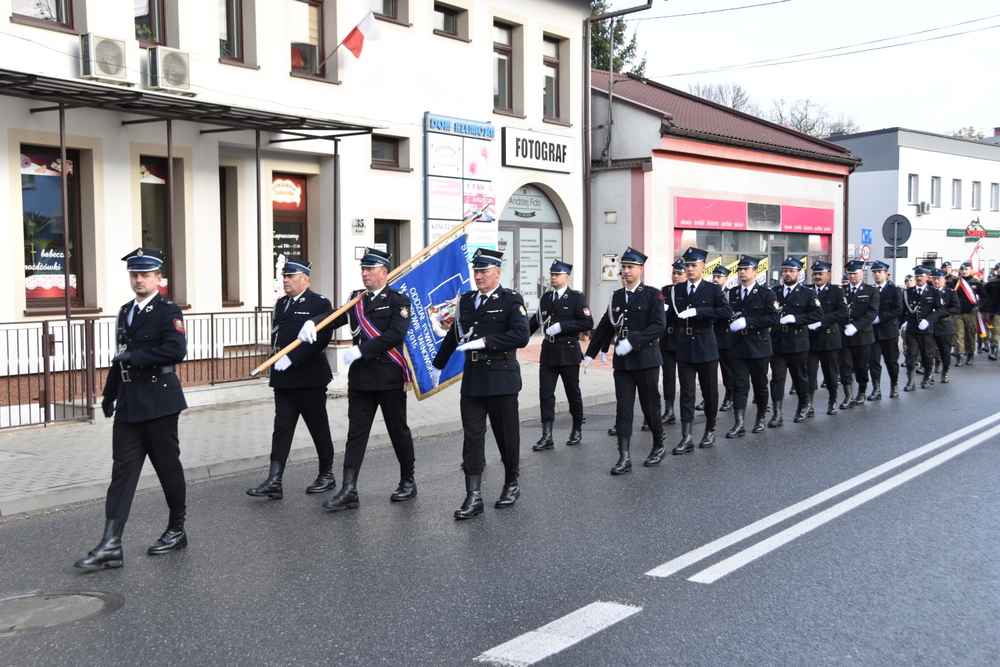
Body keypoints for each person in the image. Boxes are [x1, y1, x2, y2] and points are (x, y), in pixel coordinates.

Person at [76, 249, 189, 570]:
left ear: (158, 278)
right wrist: (109, 394)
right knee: (122, 472)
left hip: (159, 401)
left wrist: (135, 359)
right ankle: (111, 544)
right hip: (128, 403)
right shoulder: (125, 311)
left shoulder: (168, 310)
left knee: (167, 466)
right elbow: (120, 356)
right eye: (134, 274)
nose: (138, 279)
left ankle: (177, 528)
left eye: (145, 274)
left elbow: (176, 349)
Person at [296, 248, 417, 511]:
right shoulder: (356, 299)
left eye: (370, 269)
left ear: (383, 273)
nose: (364, 273)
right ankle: (349, 489)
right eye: (363, 269)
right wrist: (313, 323)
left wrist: (363, 349)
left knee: (398, 430)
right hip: (361, 379)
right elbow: (336, 317)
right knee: (356, 435)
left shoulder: (399, 301)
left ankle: (408, 479)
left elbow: (396, 335)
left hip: (388, 376)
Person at [431, 248, 530, 519]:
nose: (478, 276)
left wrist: (486, 342)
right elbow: (454, 334)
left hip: (501, 377)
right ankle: (473, 496)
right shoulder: (465, 301)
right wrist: (438, 364)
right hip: (473, 379)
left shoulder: (510, 300)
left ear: (498, 272)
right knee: (472, 438)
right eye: (476, 271)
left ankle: (511, 483)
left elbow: (522, 335)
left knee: (506, 436)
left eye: (484, 271)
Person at [247, 258, 336, 500]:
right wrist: (279, 362)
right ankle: (274, 479)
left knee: (318, 427)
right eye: (284, 276)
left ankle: (326, 473)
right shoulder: (281, 304)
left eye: (291, 276)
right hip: (284, 378)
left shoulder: (319, 303)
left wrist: (294, 359)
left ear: (305, 279)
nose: (285, 280)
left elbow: (322, 338)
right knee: (281, 429)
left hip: (309, 377)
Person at [585, 247, 665, 473]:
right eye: (623, 268)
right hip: (623, 363)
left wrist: (634, 341)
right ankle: (624, 456)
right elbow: (605, 325)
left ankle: (658, 445)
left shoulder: (652, 294)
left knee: (651, 407)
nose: (626, 271)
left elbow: (659, 326)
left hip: (646, 359)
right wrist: (591, 352)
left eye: (630, 267)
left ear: (640, 269)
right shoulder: (617, 297)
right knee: (624, 409)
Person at [670, 247, 732, 453]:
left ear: (703, 267)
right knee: (686, 393)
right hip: (684, 344)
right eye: (687, 265)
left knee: (709, 391)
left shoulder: (712, 289)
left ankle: (710, 429)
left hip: (706, 344)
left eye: (693, 265)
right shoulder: (676, 290)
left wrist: (699, 311)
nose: (689, 269)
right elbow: (668, 316)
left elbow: (726, 311)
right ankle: (686, 436)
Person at [528, 260, 593, 450]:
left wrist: (563, 326)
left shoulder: (576, 298)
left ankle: (576, 429)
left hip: (568, 351)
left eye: (557, 274)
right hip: (549, 352)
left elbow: (587, 322)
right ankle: (547, 435)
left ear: (567, 277)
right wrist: (518, 337)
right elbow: (534, 322)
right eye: (552, 274)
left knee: (573, 392)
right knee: (546, 394)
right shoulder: (546, 298)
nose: (553, 278)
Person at [725, 256, 779, 437]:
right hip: (738, 345)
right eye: (740, 269)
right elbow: (727, 314)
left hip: (758, 346)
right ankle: (739, 423)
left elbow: (773, 318)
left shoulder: (766, 293)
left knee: (760, 385)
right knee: (739, 385)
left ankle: (761, 418)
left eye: (746, 269)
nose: (742, 272)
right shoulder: (733, 293)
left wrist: (747, 322)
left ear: (756, 272)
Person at [769, 256, 823, 425]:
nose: (787, 274)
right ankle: (777, 413)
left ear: (798, 273)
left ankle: (803, 405)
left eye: (791, 271)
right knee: (777, 378)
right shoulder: (774, 292)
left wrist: (795, 318)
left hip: (797, 341)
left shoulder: (807, 293)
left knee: (800, 377)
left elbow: (817, 314)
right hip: (777, 341)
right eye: (785, 270)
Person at [806, 260, 849, 416]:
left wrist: (821, 321)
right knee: (809, 373)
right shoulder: (807, 290)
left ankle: (832, 400)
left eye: (820, 274)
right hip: (810, 338)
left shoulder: (837, 291)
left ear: (828, 275)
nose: (817, 277)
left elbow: (842, 312)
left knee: (830, 372)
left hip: (828, 338)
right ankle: (808, 403)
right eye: (815, 274)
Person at [839, 260, 880, 408]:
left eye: (855, 273)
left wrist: (855, 326)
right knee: (845, 366)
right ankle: (848, 396)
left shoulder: (871, 291)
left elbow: (872, 313)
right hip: (845, 336)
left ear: (862, 274)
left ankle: (861, 392)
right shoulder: (842, 291)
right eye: (850, 273)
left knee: (861, 366)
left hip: (862, 335)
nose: (852, 276)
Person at [867, 260, 904, 400]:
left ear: (886, 274)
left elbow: (897, 310)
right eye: (874, 272)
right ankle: (876, 389)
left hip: (888, 331)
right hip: (873, 332)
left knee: (891, 361)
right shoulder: (870, 290)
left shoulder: (894, 290)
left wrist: (880, 318)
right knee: (873, 361)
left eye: (879, 272)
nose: (877, 275)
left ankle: (894, 386)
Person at [902, 266, 942, 391]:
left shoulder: (934, 292)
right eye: (917, 276)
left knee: (927, 355)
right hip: (912, 327)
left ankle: (927, 377)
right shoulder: (908, 292)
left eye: (921, 276)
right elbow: (903, 310)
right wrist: (903, 322)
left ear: (927, 277)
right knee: (910, 354)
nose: (919, 278)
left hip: (926, 328)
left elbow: (940, 309)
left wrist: (928, 320)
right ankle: (911, 380)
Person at [658, 260, 687, 426]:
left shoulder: (687, 291)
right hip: (667, 340)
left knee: (685, 378)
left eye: (679, 274)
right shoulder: (666, 290)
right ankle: (669, 410)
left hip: (682, 339)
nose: (676, 276)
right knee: (668, 377)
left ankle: (685, 409)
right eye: (674, 273)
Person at [929, 268, 960, 384]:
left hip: (944, 325)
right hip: (930, 325)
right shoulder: (927, 292)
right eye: (934, 279)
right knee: (929, 351)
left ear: (944, 280)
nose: (936, 282)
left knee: (945, 351)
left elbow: (956, 308)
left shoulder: (950, 293)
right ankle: (929, 373)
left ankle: (944, 372)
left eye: (939, 279)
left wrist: (941, 312)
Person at [711, 266, 735, 413]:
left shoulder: (729, 294)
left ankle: (729, 396)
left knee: (727, 370)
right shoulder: (709, 294)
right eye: (714, 276)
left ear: (725, 279)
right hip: (711, 337)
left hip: (725, 337)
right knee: (710, 371)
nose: (715, 279)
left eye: (719, 277)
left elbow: (728, 313)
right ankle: (710, 397)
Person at [952, 261, 985, 367]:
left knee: (970, 334)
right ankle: (959, 356)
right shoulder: (956, 282)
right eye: (962, 270)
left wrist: (978, 306)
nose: (964, 271)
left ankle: (970, 354)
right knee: (958, 335)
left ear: (970, 270)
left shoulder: (976, 283)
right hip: (958, 313)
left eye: (966, 269)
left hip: (971, 313)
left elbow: (984, 297)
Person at [984, 262, 1000, 360]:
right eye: (998, 269)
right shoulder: (991, 282)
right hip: (996, 310)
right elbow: (986, 296)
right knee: (995, 332)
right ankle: (994, 350)